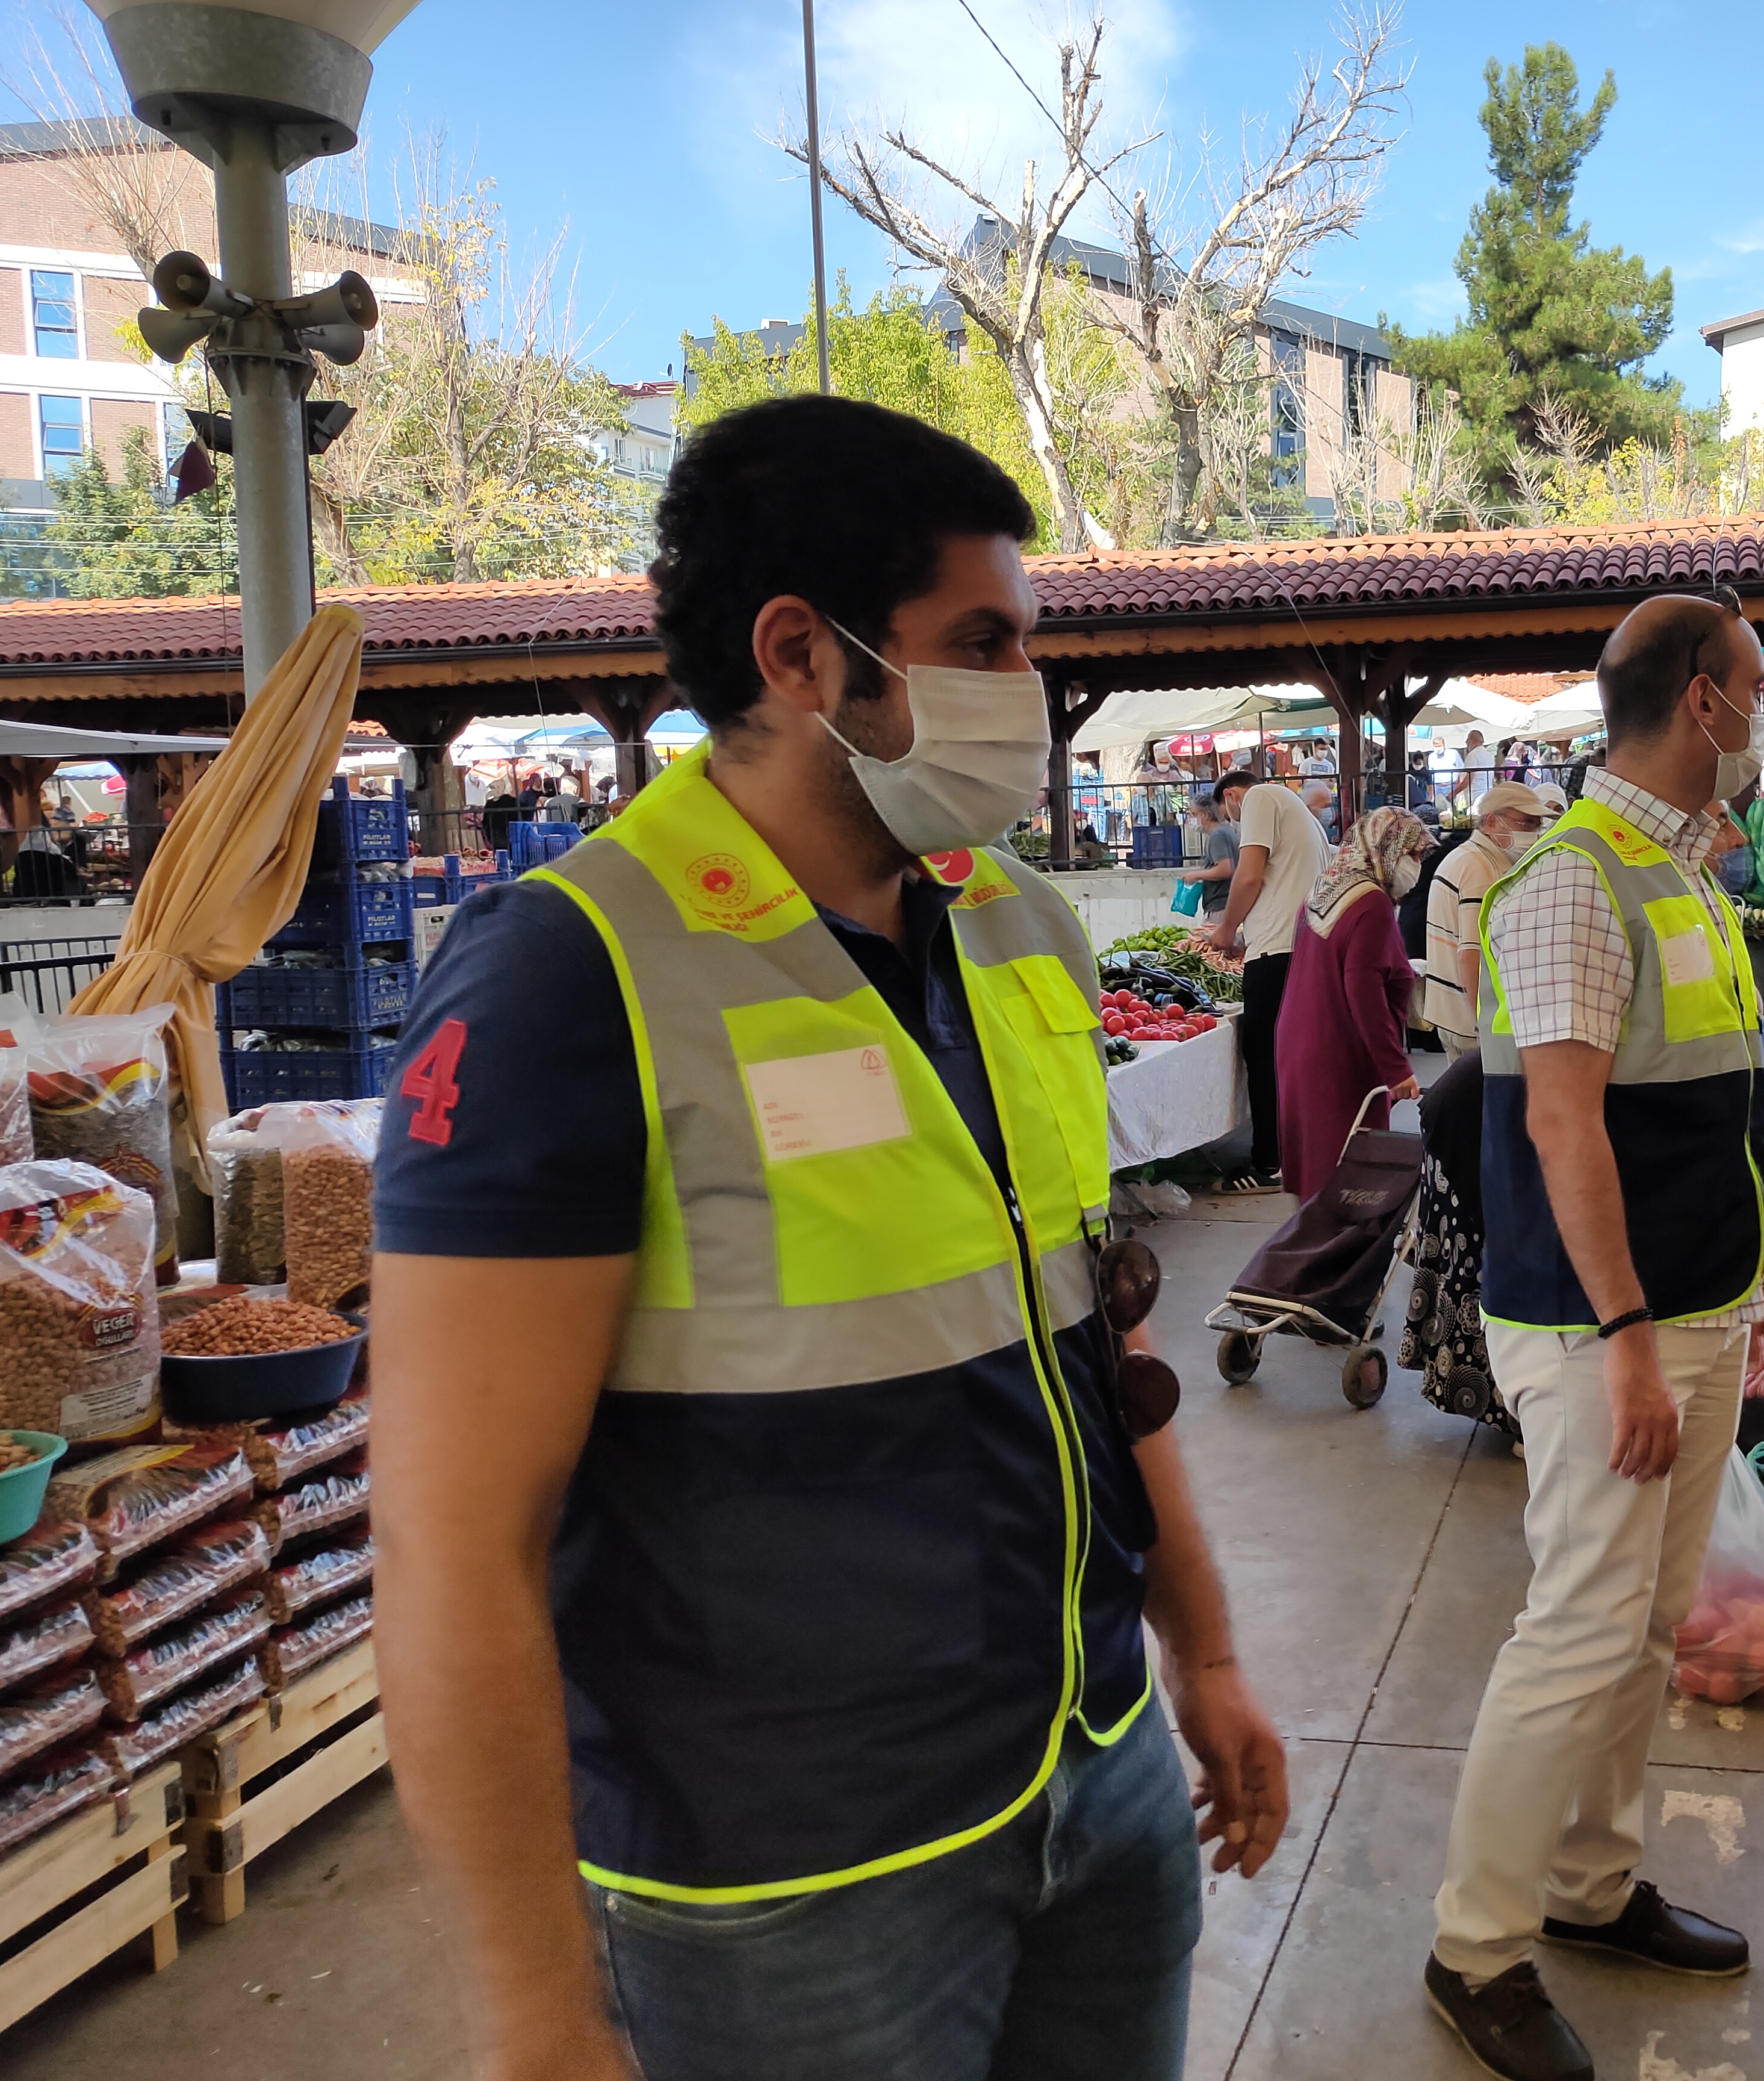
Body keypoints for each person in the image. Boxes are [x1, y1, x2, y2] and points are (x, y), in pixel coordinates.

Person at [369, 395, 1285, 2081]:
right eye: (982, 641)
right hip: (789, 1879)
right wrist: (537, 2014)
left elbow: (1096, 1339)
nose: (1029, 697)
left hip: (1093, 1772)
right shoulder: (573, 977)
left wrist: (1200, 1653)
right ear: (803, 652)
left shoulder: (1019, 925)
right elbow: (448, 1544)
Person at [1426, 591, 1764, 2081]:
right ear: (1700, 702)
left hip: (1706, 1297)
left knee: (1644, 1626)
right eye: (1757, 690)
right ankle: (1475, 1942)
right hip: (1604, 1319)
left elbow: (1710, 1058)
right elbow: (1560, 1117)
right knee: (1580, 1625)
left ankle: (1590, 1885)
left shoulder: (1687, 871)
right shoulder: (1570, 883)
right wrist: (1624, 1340)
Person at [1275, 806, 1432, 1202]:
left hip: (1299, 1042)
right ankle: (1334, 1258)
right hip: (1338, 1054)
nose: (1416, 867)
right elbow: (1364, 992)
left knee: (1317, 1171)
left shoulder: (1327, 886)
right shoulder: (1371, 904)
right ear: (1387, 848)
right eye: (1412, 854)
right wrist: (1396, 1070)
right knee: (1346, 1182)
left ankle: (1314, 1253)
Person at [1207, 766, 1332, 1191]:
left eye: (1228, 812)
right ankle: (1298, 1153)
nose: (1234, 821)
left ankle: (1268, 1161)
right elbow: (1284, 889)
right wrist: (1248, 934)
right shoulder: (1304, 817)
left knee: (1263, 1055)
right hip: (1299, 945)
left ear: (1232, 796)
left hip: (1278, 954)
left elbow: (1250, 875)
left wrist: (1226, 929)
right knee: (1289, 1057)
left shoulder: (1259, 798)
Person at [1400, 1046, 1511, 1436]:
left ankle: (1499, 1404)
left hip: (1452, 1116)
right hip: (1458, 1126)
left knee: (1461, 1263)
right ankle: (1508, 1414)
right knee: (1474, 1264)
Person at [1425, 783, 1549, 1059]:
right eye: (1526, 823)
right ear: (1492, 822)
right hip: (1473, 1023)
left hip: (1454, 1013)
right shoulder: (1481, 868)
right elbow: (1471, 955)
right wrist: (1487, 1026)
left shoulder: (1467, 858)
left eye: (1537, 825)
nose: (1533, 833)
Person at [1181, 782, 1244, 922]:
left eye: (1193, 814)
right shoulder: (1226, 831)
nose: (1190, 819)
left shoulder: (1217, 836)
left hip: (1221, 906)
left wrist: (1195, 875)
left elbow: (1225, 869)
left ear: (1205, 815)